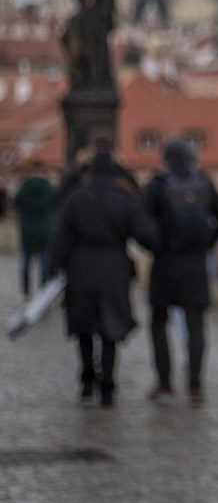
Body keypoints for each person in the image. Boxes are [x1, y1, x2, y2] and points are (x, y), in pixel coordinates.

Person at [49, 145, 154, 407]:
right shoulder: (125, 199)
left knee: (83, 326)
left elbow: (60, 236)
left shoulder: (76, 199)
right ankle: (107, 384)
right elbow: (146, 235)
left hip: (81, 266)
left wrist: (54, 269)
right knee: (111, 327)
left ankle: (86, 380)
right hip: (114, 267)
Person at [142, 138, 218, 407]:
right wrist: (206, 243)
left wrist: (156, 246)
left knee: (159, 322)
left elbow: (142, 222)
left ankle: (164, 380)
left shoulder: (158, 186)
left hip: (166, 262)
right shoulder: (205, 184)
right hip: (195, 264)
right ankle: (195, 386)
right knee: (196, 326)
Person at [14, 164, 57, 300]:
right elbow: (56, 203)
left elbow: (16, 203)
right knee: (44, 262)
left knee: (26, 262)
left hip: (27, 230)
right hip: (45, 230)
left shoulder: (24, 187)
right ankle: (42, 290)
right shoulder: (49, 188)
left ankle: (25, 292)